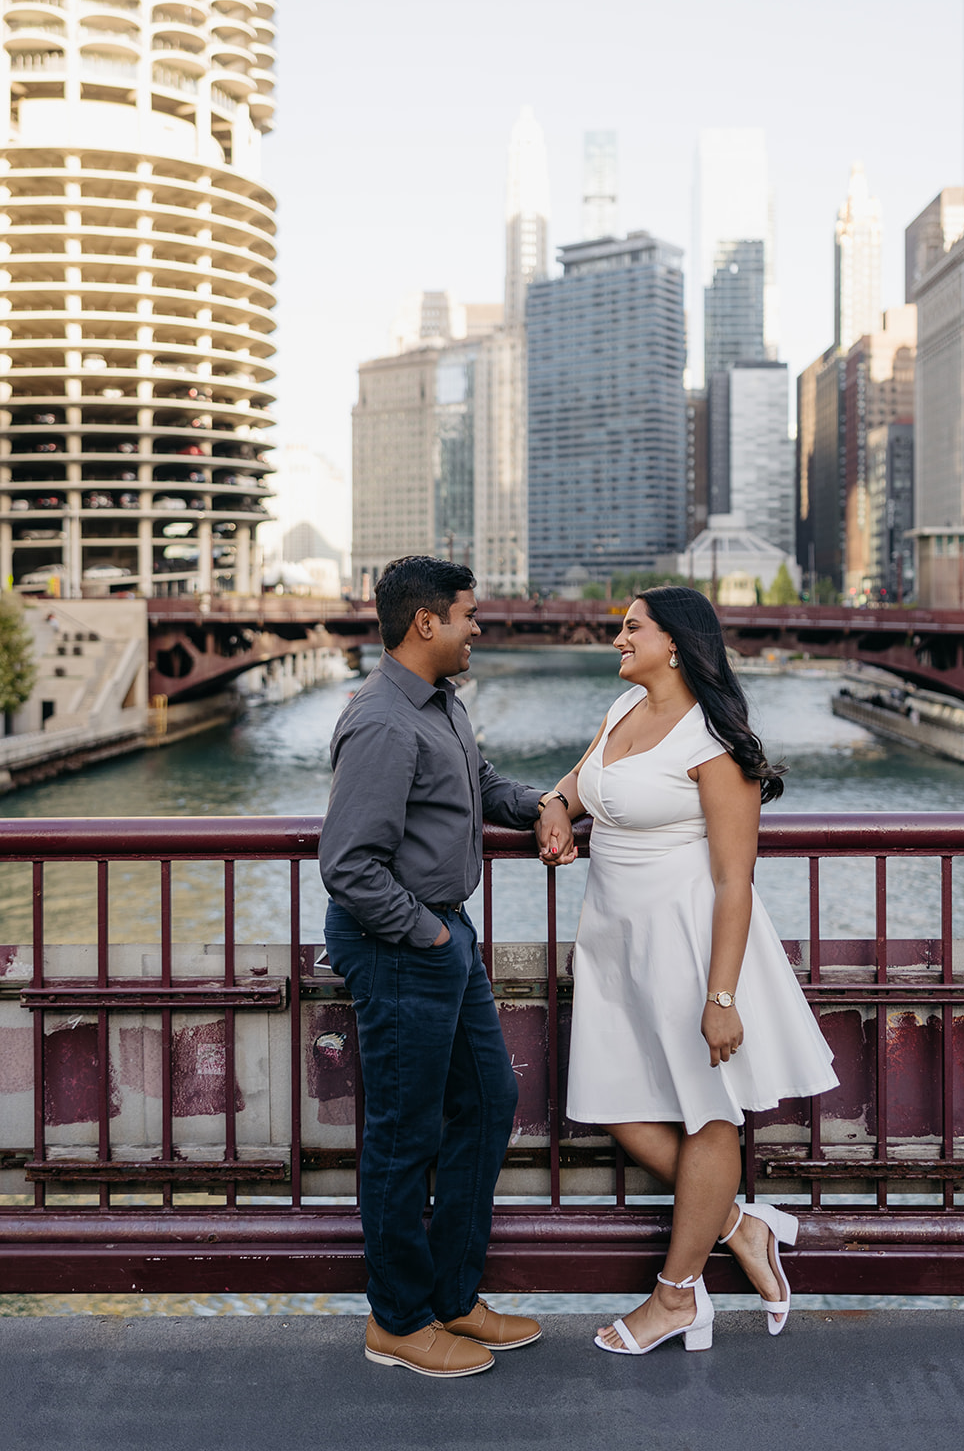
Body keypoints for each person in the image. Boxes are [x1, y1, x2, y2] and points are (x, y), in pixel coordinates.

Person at [547, 586, 838, 1356]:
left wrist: (721, 995)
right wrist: (551, 805)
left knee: (708, 1114)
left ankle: (677, 1297)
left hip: (687, 944)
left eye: (630, 628)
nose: (617, 639)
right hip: (612, 945)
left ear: (673, 642)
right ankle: (740, 1222)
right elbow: (580, 785)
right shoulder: (621, 714)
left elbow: (735, 880)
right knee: (606, 1099)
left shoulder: (711, 740)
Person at [319, 555, 574, 1378]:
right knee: (403, 1136)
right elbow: (350, 866)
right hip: (404, 946)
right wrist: (427, 936)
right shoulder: (383, 720)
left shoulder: (439, 707)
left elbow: (478, 784)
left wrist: (541, 805)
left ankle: (453, 1299)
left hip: (440, 940)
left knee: (488, 1100)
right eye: (467, 614)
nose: (477, 627)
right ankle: (396, 1321)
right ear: (424, 623)